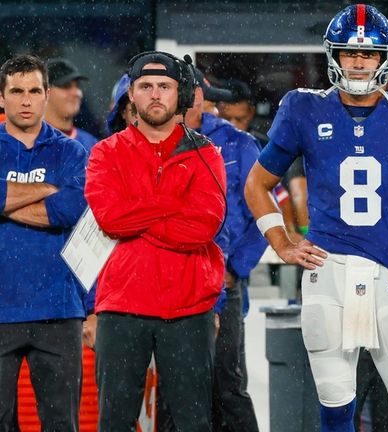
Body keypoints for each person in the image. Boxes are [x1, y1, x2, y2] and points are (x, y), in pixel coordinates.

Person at [243, 4, 388, 431]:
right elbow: (256, 185)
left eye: (369, 53)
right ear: (334, 56)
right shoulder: (303, 108)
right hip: (327, 272)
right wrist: (283, 243)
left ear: (386, 57)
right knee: (335, 403)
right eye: (350, 52)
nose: (360, 61)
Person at [84, 51, 226, 431]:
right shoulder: (104, 153)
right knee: (113, 422)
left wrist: (138, 211)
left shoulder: (207, 154)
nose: (155, 94)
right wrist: (172, 204)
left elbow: (202, 227)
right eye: (145, 86)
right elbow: (110, 218)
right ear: (131, 94)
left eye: (165, 86)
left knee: (194, 423)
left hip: (188, 307)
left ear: (179, 94)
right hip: (123, 306)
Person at [0, 53, 88, 432]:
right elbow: (56, 200)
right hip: (0, 310)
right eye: (16, 91)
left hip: (58, 309)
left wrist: (5, 201)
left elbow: (70, 209)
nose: (25, 100)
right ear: (1, 97)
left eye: (34, 91)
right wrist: (46, 190)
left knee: (61, 424)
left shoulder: (71, 152)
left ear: (46, 94)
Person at [188, 66, 262, 432]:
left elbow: (264, 215)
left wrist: (235, 270)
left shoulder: (238, 144)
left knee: (227, 386)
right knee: (181, 392)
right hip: (173, 288)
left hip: (221, 287)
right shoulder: (159, 142)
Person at [44, 58, 99, 150]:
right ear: (45, 92)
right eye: (66, 86)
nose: (76, 93)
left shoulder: (91, 143)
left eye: (77, 86)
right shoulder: (27, 141)